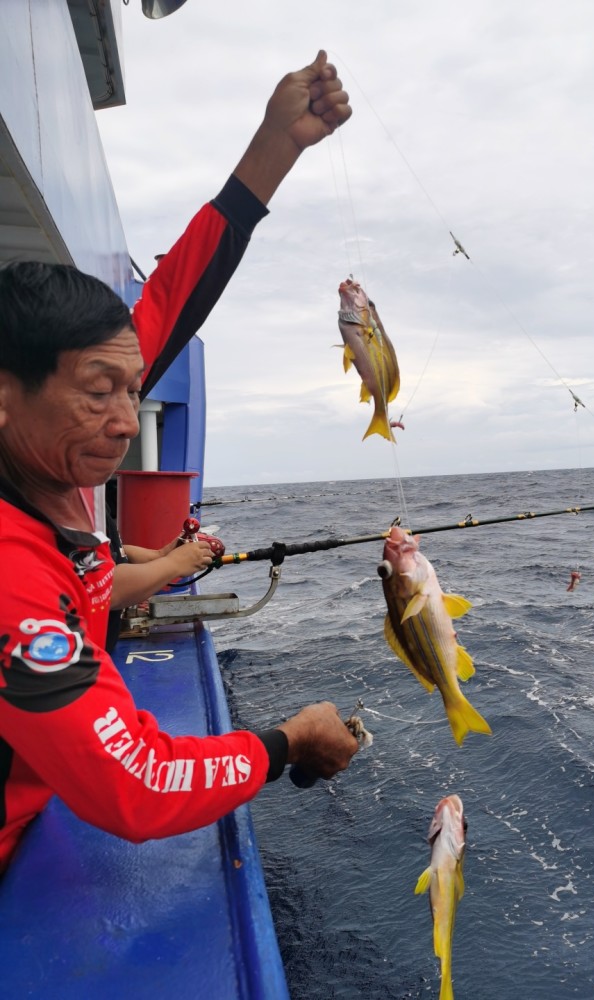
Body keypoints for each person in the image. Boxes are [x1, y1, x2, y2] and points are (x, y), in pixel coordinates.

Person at [0, 51, 358, 872]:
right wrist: (289, 739)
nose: (127, 423)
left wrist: (278, 144)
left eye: (136, 390)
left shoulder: (47, 468)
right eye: (101, 392)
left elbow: (174, 296)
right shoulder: (9, 569)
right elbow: (145, 786)